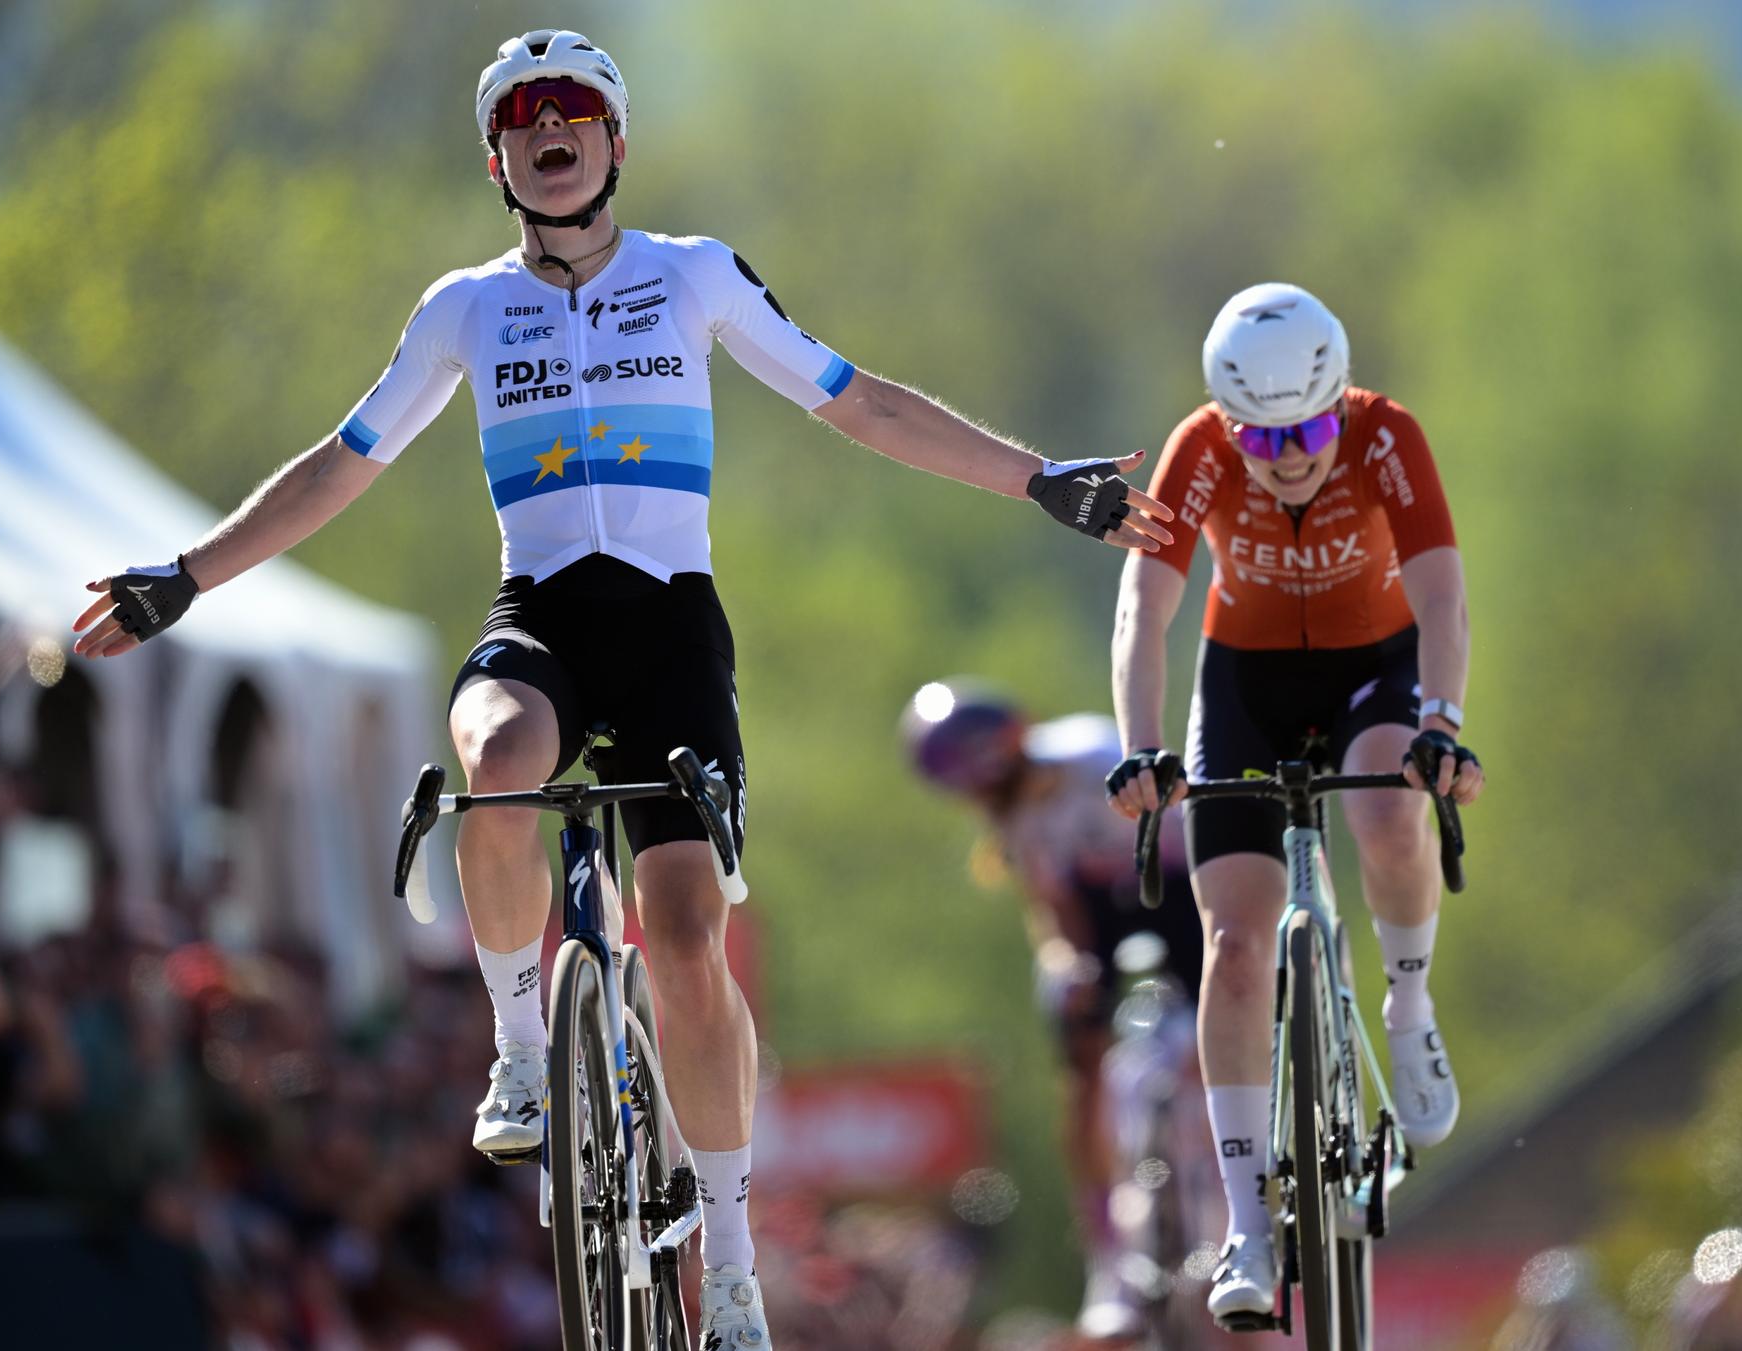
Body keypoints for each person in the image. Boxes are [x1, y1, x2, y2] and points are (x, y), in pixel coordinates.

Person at [69, 28, 1173, 1346]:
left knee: (689, 936)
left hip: (669, 635)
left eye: (574, 107)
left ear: (613, 141)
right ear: (499, 158)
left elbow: (860, 402)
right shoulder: (462, 309)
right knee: (491, 758)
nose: (552, 125)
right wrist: (187, 576)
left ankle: (730, 1255)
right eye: (524, 114)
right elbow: (338, 466)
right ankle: (524, 1046)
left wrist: (1041, 478)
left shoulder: (691, 278)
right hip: (541, 611)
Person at [1105, 282, 1483, 1327]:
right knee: (1232, 944)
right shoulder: (1202, 449)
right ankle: (1246, 1223)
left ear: (1339, 404)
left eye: (1311, 428)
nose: (1288, 456)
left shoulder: (1385, 434)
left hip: (1376, 668)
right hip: (1245, 684)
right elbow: (1147, 601)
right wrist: (1140, 744)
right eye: (1261, 437)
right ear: (1229, 423)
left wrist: (1442, 723)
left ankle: (1407, 1005)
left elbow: (1443, 589)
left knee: (1387, 806)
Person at [901, 681, 1205, 1340]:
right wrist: (1071, 968)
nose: (986, 806)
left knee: (1215, 1035)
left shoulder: (1093, 754)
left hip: (1181, 886)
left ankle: (1224, 1206)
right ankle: (1111, 1258)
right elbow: (1053, 904)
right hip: (1099, 909)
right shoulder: (1012, 816)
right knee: (1078, 1052)